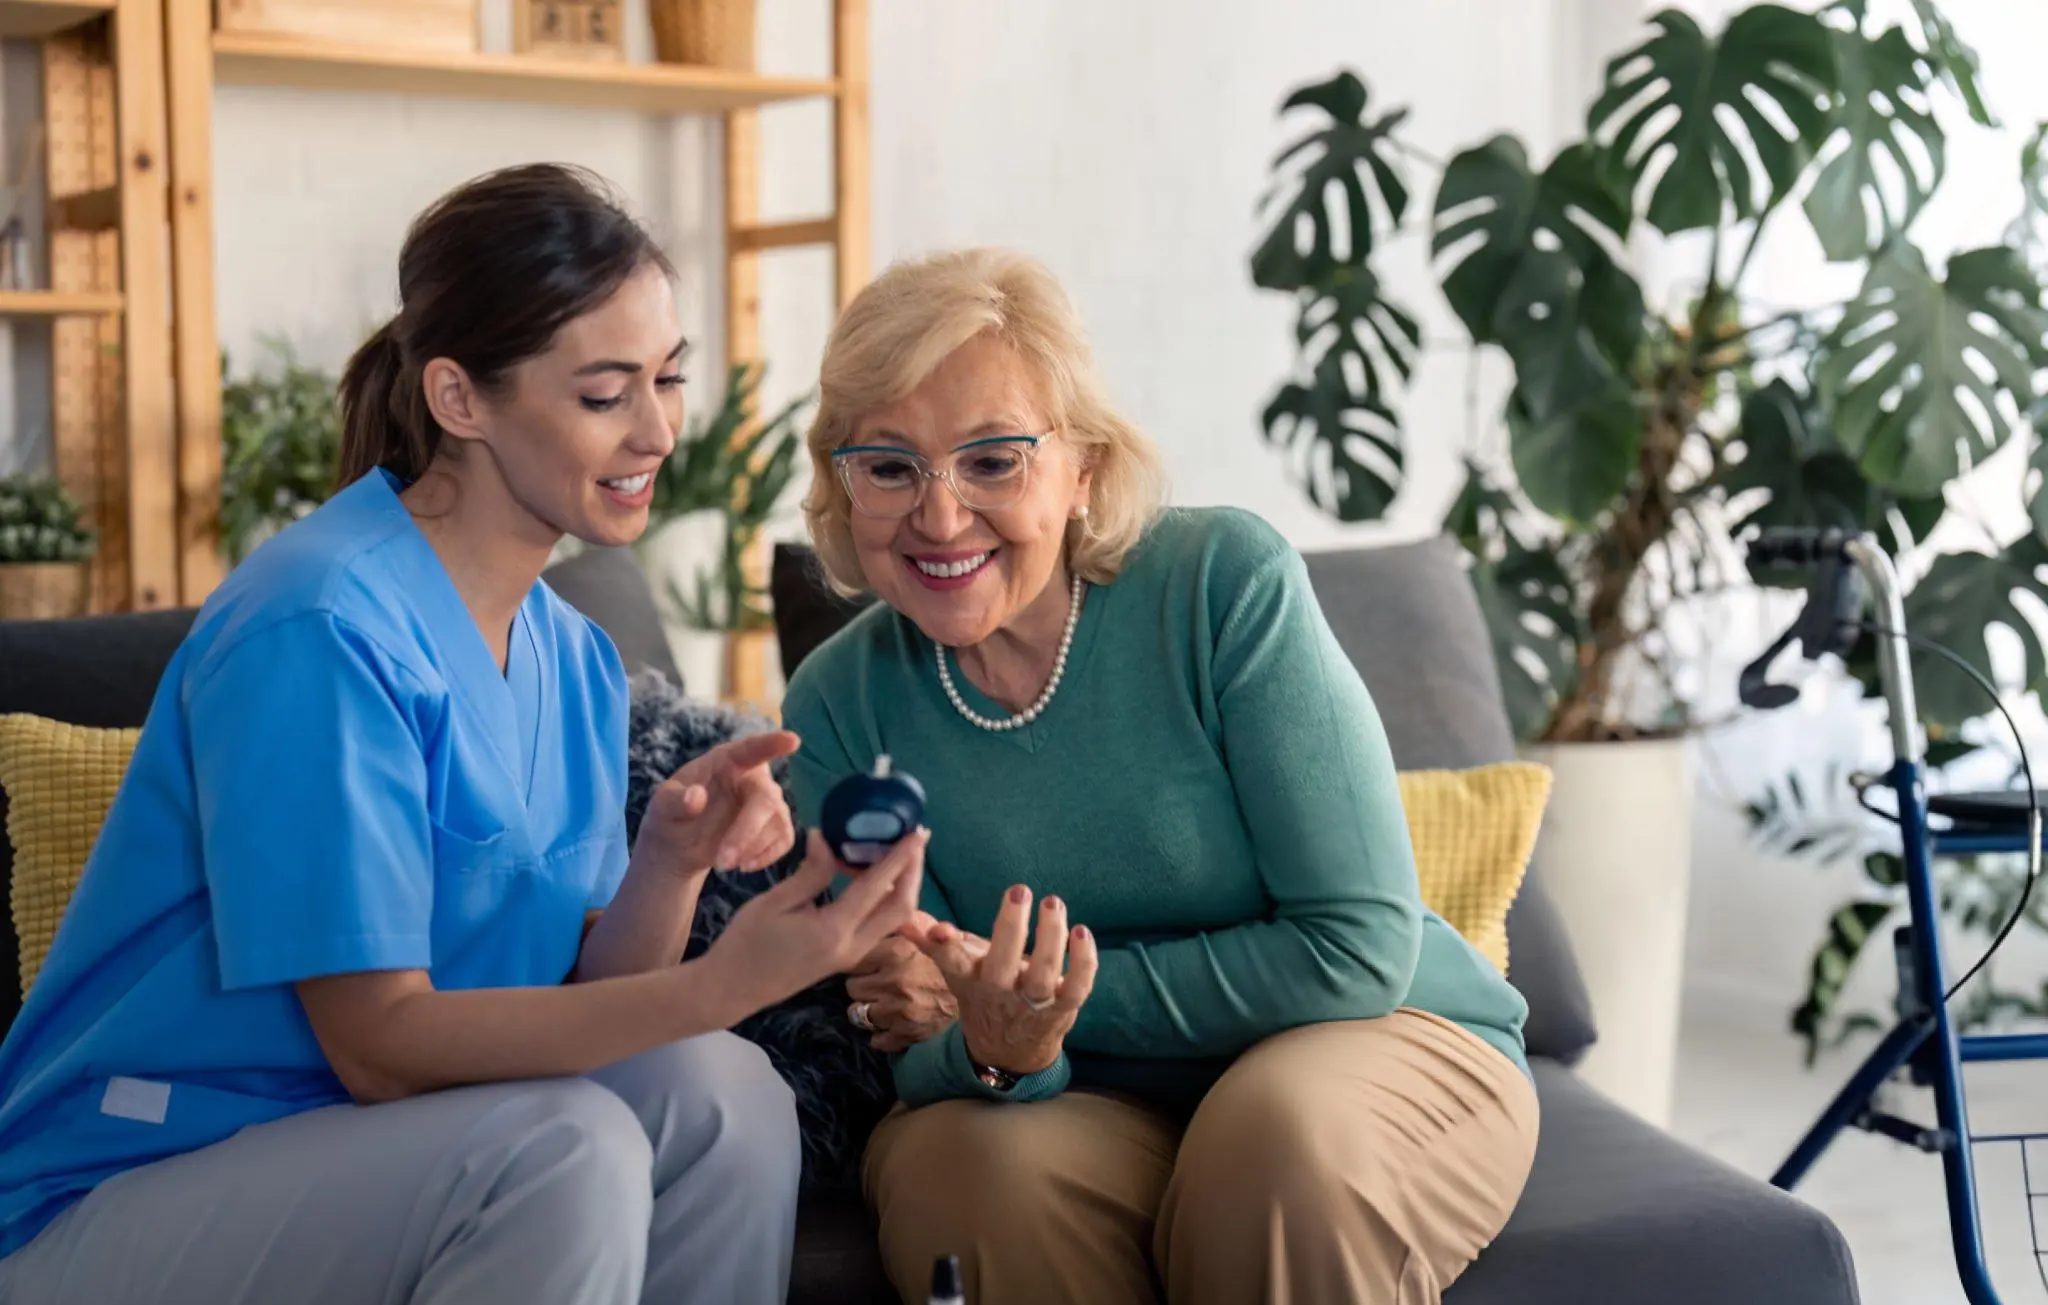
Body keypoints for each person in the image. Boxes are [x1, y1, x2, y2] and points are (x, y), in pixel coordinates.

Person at [0, 163, 926, 1305]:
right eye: (605, 394)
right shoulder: (318, 627)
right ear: (458, 398)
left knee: (724, 1095)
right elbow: (381, 1046)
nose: (656, 431)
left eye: (668, 379)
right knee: (564, 1151)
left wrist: (668, 863)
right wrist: (725, 983)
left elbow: (576, 1001)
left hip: (381, 1149)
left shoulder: (572, 657)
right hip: (135, 1180)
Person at [779, 247, 1540, 1305]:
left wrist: (1040, 1005)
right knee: (958, 1166)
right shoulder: (834, 705)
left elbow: (1355, 948)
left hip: (1368, 1040)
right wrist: (999, 1051)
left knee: (1271, 1140)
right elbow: (919, 1035)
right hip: (1080, 1100)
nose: (940, 517)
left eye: (993, 461)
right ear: (841, 484)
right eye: (889, 467)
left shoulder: (1222, 586)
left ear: (1082, 469)